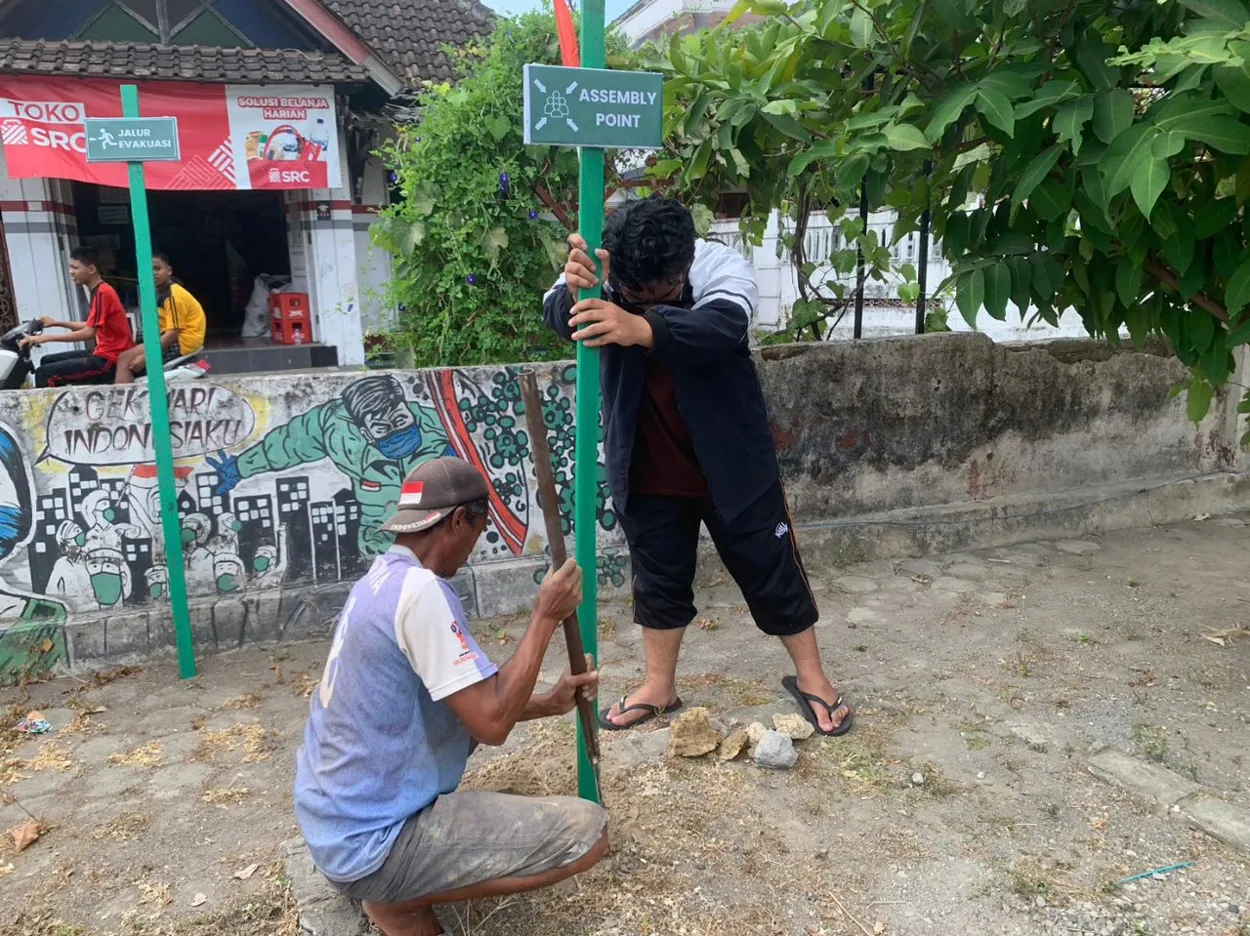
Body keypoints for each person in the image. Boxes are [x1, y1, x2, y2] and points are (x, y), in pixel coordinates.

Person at [542, 197, 853, 737]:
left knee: (772, 569)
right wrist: (574, 290)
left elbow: (724, 326)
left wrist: (640, 326)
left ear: (684, 266)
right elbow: (556, 318)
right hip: (646, 465)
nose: (643, 302)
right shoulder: (601, 267)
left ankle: (813, 679)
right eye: (635, 296)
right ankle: (659, 686)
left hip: (732, 464)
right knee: (659, 583)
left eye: (661, 293)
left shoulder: (717, 265)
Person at [294, 457, 608, 936]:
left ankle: (392, 888)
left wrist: (549, 701)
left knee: (462, 724)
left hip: (333, 824)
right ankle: (396, 896)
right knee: (588, 835)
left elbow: (463, 696)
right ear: (459, 520)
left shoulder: (378, 581)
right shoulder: (421, 593)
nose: (472, 550)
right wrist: (545, 617)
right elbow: (492, 722)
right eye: (479, 532)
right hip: (371, 842)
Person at [23, 246, 134, 388]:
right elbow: (90, 325)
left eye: (75, 268)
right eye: (70, 268)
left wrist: (45, 338)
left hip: (109, 360)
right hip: (102, 352)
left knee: (45, 373)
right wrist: (56, 323)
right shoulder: (98, 291)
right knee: (46, 360)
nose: (71, 272)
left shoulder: (102, 293)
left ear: (92, 269)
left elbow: (89, 333)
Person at [114, 252, 207, 384]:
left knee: (124, 360)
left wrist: (146, 356)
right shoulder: (161, 292)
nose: (153, 273)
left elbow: (174, 332)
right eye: (148, 270)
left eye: (157, 269)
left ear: (169, 270)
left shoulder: (173, 295)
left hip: (182, 342)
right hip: (175, 338)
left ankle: (122, 402)